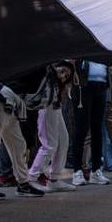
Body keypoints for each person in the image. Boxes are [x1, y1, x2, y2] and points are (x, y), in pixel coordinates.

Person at [0, 68, 50, 199]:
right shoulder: (39, 64)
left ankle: (23, 183)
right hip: (3, 99)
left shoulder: (41, 66)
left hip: (11, 103)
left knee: (17, 145)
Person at [27, 61, 77, 192]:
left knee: (63, 141)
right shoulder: (48, 75)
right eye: (63, 71)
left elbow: (72, 81)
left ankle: (54, 179)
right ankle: (32, 177)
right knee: (50, 144)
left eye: (67, 74)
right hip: (46, 108)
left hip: (55, 108)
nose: (64, 75)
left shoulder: (58, 83)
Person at [69, 60, 112, 186]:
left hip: (102, 85)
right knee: (80, 128)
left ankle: (96, 170)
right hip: (83, 85)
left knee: (97, 129)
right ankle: (77, 171)